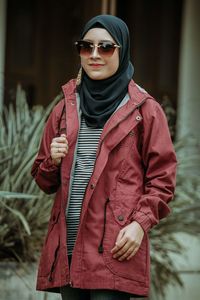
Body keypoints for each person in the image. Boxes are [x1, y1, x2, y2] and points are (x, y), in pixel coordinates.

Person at [31, 14, 177, 300]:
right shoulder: (64, 109)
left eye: (106, 47)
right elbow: (44, 180)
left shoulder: (145, 111)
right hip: (68, 253)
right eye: (86, 47)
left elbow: (163, 179)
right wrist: (53, 160)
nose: (95, 55)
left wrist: (140, 224)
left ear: (122, 51)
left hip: (113, 250)